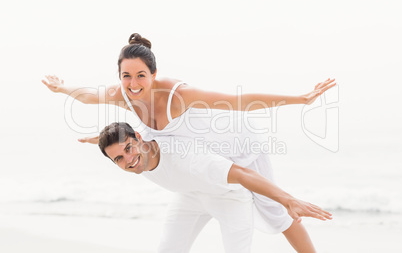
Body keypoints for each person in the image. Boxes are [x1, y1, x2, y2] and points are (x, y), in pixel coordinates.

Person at [42, 33, 336, 252]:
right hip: (194, 151)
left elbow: (240, 102)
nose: (133, 84)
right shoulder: (122, 94)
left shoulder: (177, 95)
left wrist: (301, 99)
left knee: (276, 210)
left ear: (154, 74)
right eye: (126, 76)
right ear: (118, 76)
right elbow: (89, 97)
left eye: (141, 76)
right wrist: (61, 89)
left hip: (235, 144)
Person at [99, 122, 332, 253]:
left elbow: (242, 174)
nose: (128, 160)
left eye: (128, 149)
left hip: (228, 197)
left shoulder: (190, 160)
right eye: (118, 159)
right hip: (190, 195)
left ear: (139, 138)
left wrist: (287, 200)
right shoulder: (137, 145)